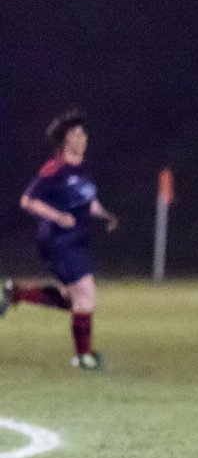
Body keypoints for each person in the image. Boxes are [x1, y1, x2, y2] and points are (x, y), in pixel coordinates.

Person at [2, 109, 118, 369]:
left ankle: (18, 293)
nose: (83, 137)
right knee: (86, 294)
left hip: (76, 240)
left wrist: (105, 215)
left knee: (71, 299)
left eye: (84, 133)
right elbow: (28, 201)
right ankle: (83, 357)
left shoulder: (84, 168)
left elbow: (89, 200)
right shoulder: (55, 168)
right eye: (76, 133)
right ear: (65, 140)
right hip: (58, 241)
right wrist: (57, 216)